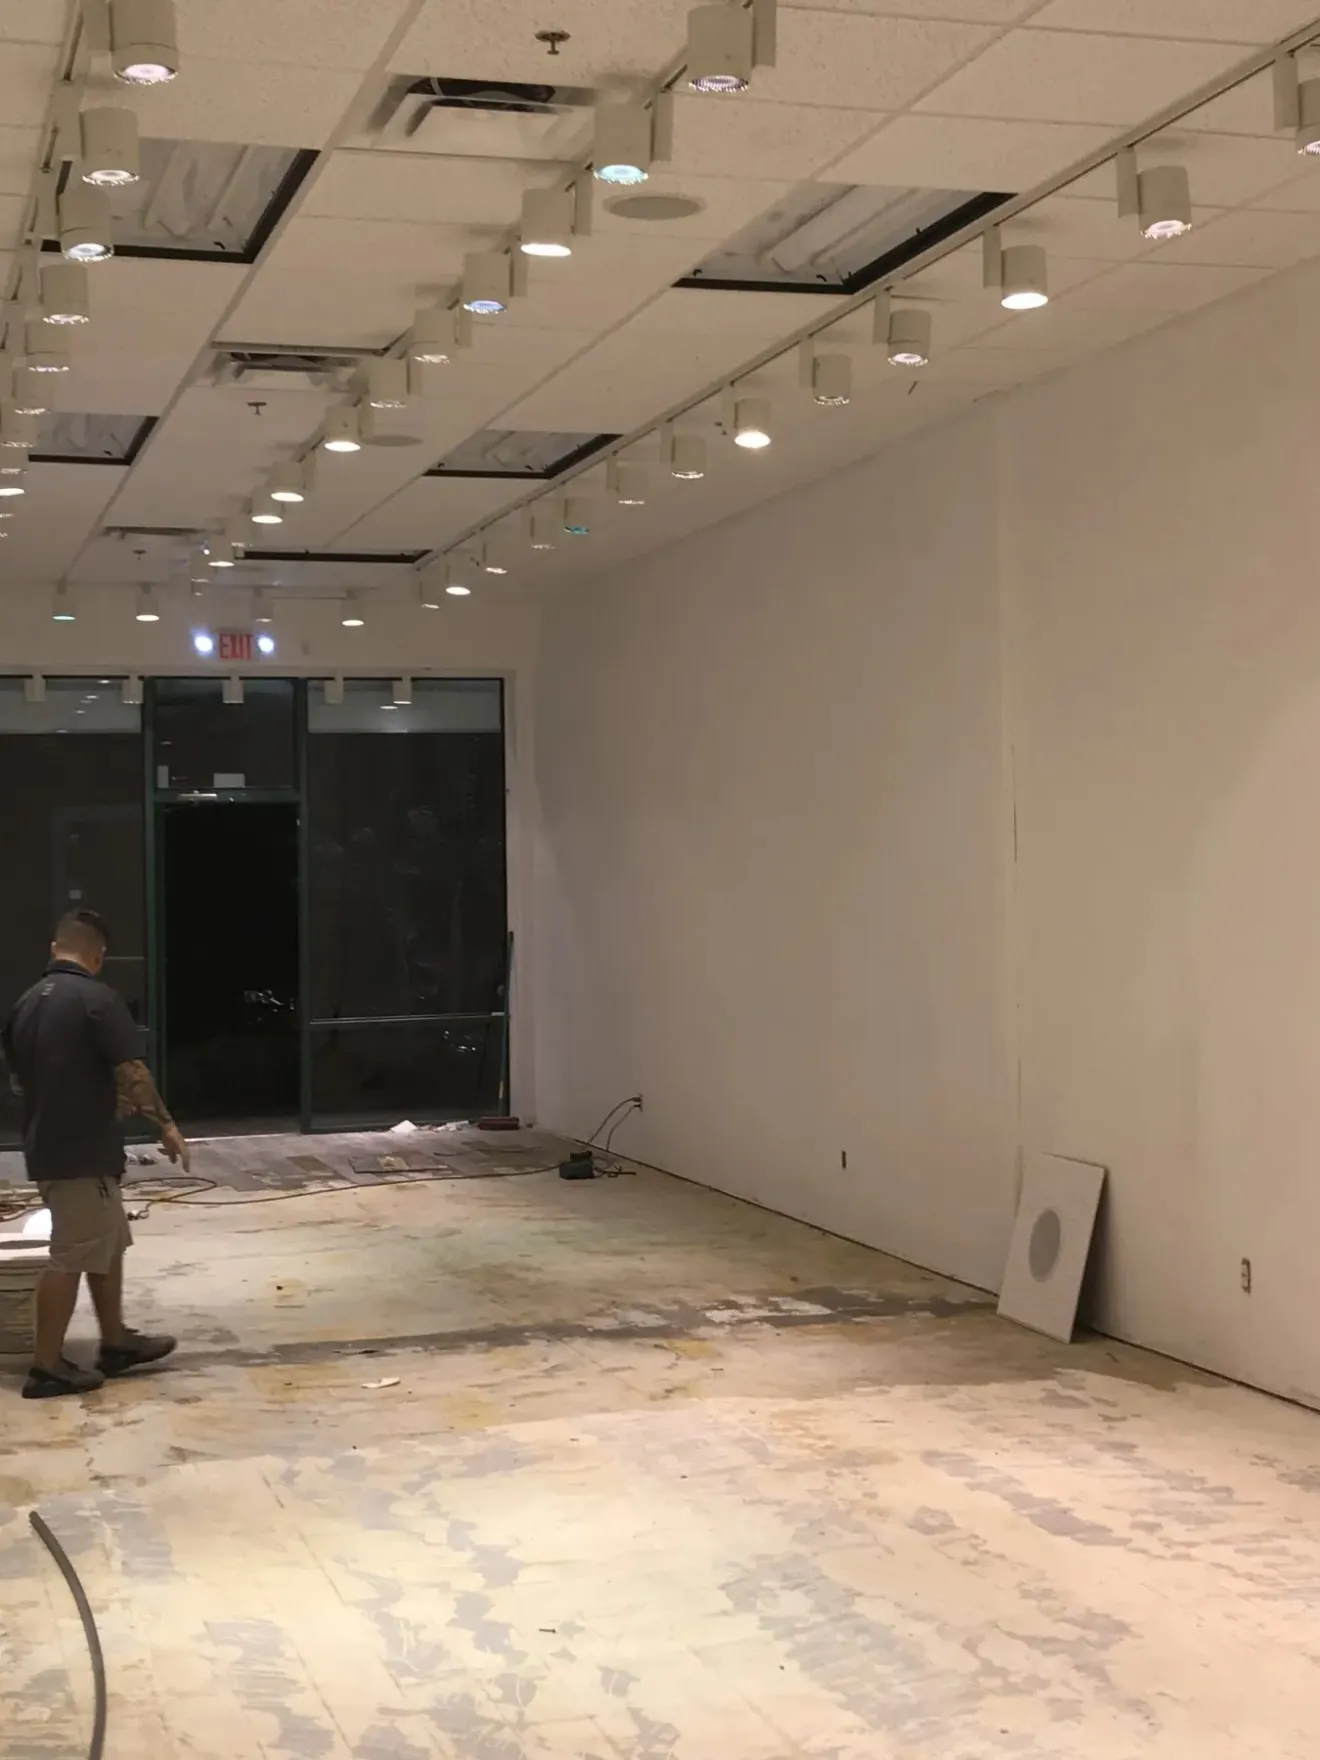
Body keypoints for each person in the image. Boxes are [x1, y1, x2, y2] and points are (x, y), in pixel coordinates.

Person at [1, 910, 188, 1399]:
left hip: (49, 1146)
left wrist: (88, 1098)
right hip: (80, 1154)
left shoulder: (24, 1004)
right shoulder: (95, 999)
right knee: (72, 1254)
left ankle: (116, 1341)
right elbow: (132, 1070)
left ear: (53, 948)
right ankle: (46, 1366)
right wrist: (165, 1123)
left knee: (108, 1240)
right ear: (98, 955)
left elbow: (23, 1081)